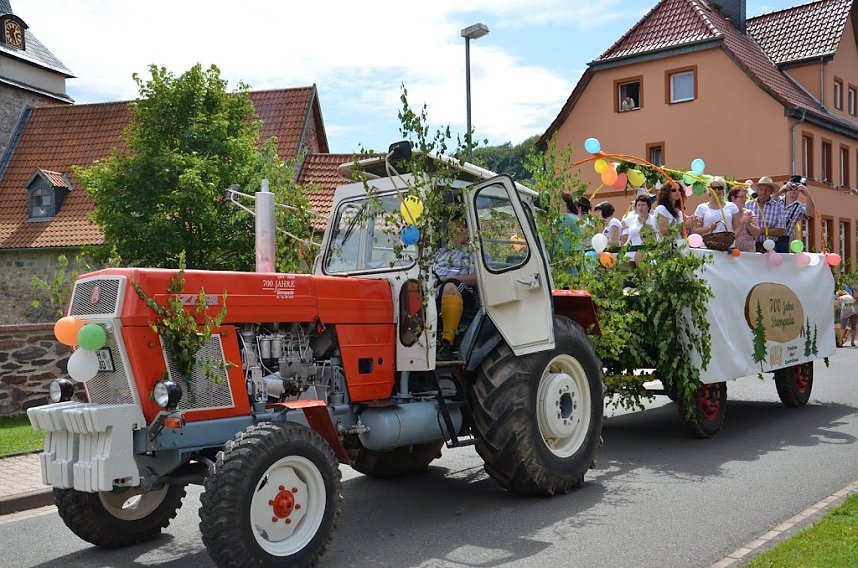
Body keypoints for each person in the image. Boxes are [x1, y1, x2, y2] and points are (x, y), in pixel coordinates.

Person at [433, 212, 478, 360]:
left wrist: (451, 278)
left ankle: (447, 343)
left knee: (450, 286)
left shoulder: (475, 252)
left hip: (464, 290)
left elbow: (478, 278)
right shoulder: (441, 252)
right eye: (451, 230)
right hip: (436, 287)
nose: (454, 233)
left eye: (458, 229)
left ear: (468, 231)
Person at [747, 176, 788, 252]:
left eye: (766, 190)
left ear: (771, 191)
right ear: (757, 190)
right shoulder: (748, 205)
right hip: (750, 246)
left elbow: (781, 230)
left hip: (770, 247)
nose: (763, 192)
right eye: (761, 189)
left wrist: (760, 231)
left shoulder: (778, 206)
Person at [692, 177, 737, 244]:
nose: (717, 190)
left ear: (724, 189)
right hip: (708, 246)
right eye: (713, 188)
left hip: (728, 248)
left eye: (720, 188)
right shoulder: (701, 207)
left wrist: (730, 240)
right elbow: (696, 229)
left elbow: (738, 227)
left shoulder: (732, 206)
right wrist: (709, 228)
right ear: (709, 189)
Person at [621, 194, 657, 260]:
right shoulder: (630, 219)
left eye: (643, 205)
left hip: (649, 251)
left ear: (648, 207)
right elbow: (619, 227)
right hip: (631, 251)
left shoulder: (654, 219)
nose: (640, 207)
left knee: (640, 257)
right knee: (622, 265)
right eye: (638, 205)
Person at [781, 176, 815, 242]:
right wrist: (781, 191)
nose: (793, 190)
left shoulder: (799, 207)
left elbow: (810, 212)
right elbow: (766, 203)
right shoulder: (777, 200)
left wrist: (807, 195)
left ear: (800, 191)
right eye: (791, 187)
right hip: (768, 237)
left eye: (796, 188)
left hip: (783, 240)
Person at [727, 186, 761, 252]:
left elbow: (757, 233)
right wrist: (741, 223)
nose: (744, 199)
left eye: (745, 197)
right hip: (730, 252)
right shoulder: (726, 214)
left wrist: (748, 224)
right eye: (742, 197)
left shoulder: (749, 213)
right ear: (733, 198)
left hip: (748, 253)